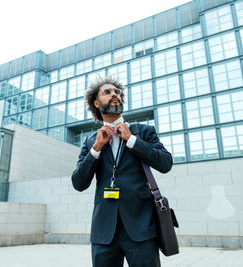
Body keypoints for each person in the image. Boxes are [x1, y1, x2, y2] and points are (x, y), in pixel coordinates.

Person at [71, 76, 173, 267]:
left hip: (141, 228)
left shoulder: (143, 131)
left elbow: (165, 163)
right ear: (96, 102)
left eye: (117, 92)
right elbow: (78, 183)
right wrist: (96, 149)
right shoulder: (91, 141)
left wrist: (132, 140)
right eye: (107, 92)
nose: (115, 95)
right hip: (103, 232)